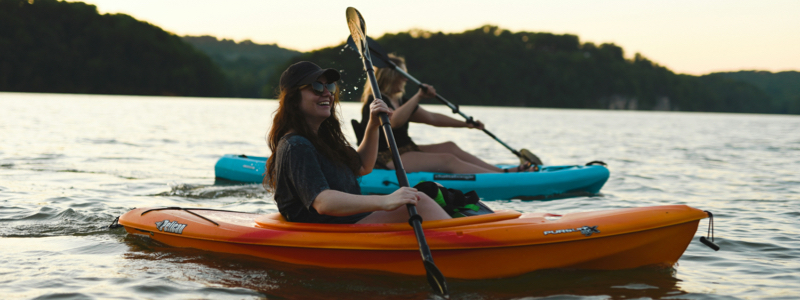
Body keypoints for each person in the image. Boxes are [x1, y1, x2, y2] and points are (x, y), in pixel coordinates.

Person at [264, 61, 451, 224]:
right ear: (293, 100)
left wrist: (372, 125)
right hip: (329, 227)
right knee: (421, 202)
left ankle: (472, 227)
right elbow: (323, 202)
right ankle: (468, 243)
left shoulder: (322, 140)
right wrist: (385, 201)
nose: (327, 93)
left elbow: (362, 166)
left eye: (329, 87)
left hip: (348, 219)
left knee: (434, 189)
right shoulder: (296, 145)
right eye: (316, 88)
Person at [359, 54, 535, 174]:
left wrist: (466, 124)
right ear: (391, 76)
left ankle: (501, 172)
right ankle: (501, 178)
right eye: (403, 75)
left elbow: (432, 118)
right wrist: (419, 96)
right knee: (448, 159)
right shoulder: (375, 101)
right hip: (385, 158)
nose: (406, 79)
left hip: (405, 149)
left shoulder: (401, 100)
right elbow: (393, 121)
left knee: (450, 146)